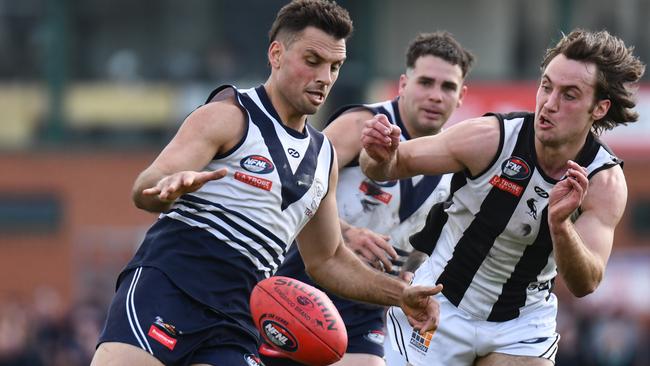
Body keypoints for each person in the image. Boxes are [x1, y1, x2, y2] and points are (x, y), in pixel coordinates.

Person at [89, 1, 445, 365]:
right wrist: (167, 189)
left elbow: (329, 259)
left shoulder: (324, 158)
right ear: (276, 53)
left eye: (335, 66)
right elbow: (145, 187)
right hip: (167, 289)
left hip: (238, 317)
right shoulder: (228, 116)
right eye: (312, 61)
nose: (325, 76)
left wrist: (399, 294)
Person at [360, 29, 645, 366]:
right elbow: (388, 166)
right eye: (547, 86)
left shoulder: (603, 181)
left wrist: (560, 225)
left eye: (569, 95)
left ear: (599, 108)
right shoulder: (490, 139)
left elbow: (586, 282)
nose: (550, 104)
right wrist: (378, 153)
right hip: (440, 302)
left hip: (521, 324)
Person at [260, 31, 474, 366]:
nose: (435, 95)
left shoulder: (450, 161)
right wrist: (345, 231)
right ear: (404, 84)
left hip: (370, 299)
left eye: (447, 87)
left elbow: (421, 241)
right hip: (308, 279)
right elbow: (293, 183)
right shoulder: (364, 124)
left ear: (461, 96)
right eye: (426, 82)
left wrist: (412, 274)